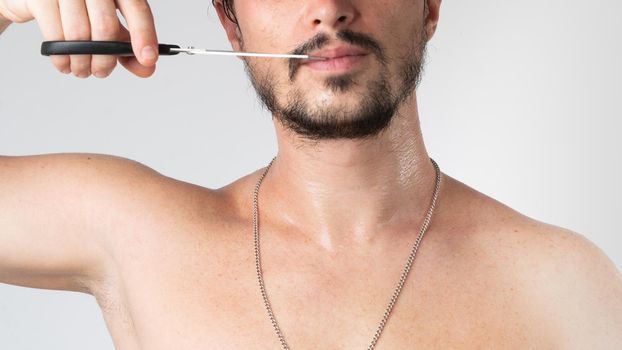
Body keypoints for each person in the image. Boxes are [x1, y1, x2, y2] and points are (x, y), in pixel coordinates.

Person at [1, 0, 621, 348]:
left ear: (431, 6)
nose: (328, 10)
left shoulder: (566, 284)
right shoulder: (137, 237)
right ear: (230, 22)